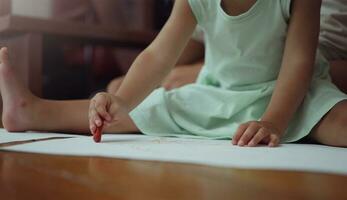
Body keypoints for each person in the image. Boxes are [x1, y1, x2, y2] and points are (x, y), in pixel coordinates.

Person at [1, 0, 347, 148]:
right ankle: (32, 111)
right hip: (219, 93)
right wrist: (121, 99)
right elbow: (158, 55)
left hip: (290, 92)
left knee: (338, 122)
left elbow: (299, 61)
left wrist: (273, 122)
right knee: (127, 114)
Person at [108, 0, 347, 94]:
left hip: (307, 63)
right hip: (223, 70)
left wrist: (219, 69)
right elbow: (169, 48)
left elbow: (307, 56)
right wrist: (131, 89)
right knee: (122, 88)